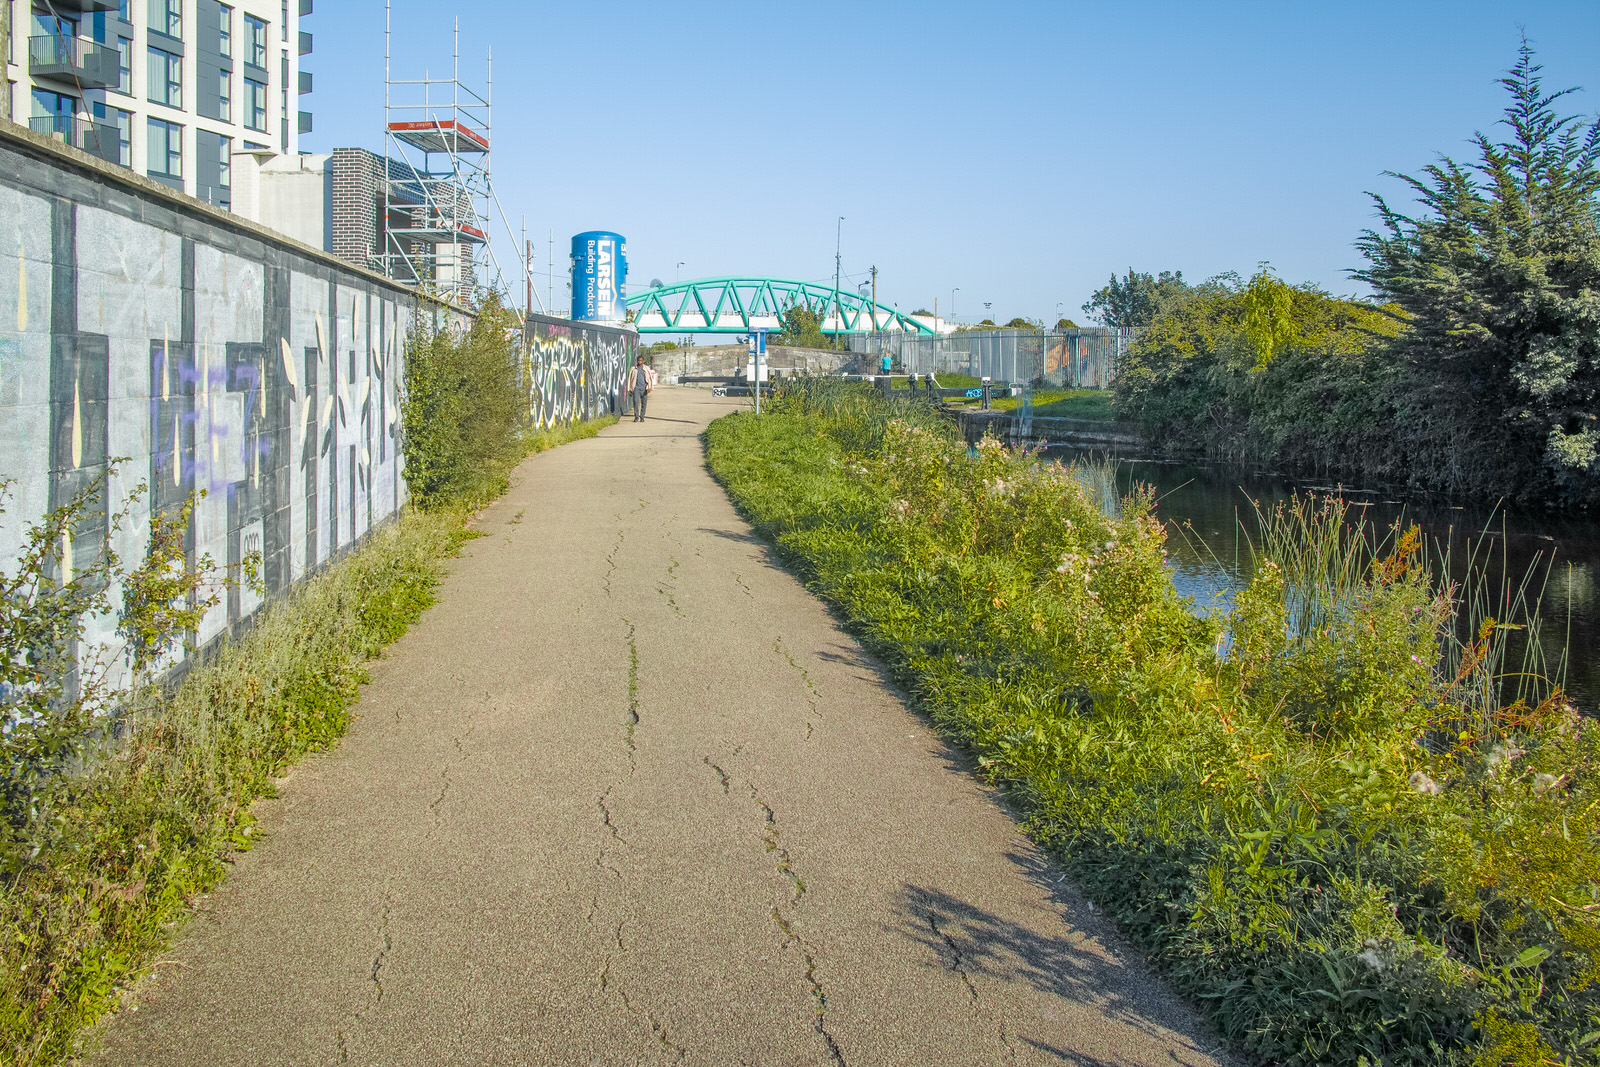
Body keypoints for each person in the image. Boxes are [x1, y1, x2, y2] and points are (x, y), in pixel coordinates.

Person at [625, 355, 657, 421]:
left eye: (641, 360)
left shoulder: (646, 368)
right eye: (638, 360)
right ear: (637, 361)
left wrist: (649, 387)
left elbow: (650, 378)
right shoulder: (633, 369)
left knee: (644, 402)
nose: (640, 362)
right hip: (636, 387)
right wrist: (629, 389)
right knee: (635, 402)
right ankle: (636, 416)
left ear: (643, 361)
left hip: (644, 388)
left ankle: (642, 417)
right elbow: (630, 379)